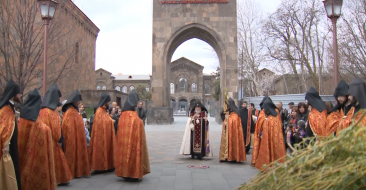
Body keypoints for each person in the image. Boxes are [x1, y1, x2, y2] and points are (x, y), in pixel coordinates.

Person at [17, 89, 56, 190]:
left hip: (22, 147)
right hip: (33, 150)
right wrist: (47, 129)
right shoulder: (33, 115)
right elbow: (40, 128)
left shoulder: (24, 113)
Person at [38, 85, 72, 185]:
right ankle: (58, 179)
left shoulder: (41, 110)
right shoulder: (52, 112)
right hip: (53, 142)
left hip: (43, 140)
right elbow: (56, 128)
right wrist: (60, 139)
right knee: (56, 161)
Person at [115, 90, 150, 180]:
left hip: (123, 142)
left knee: (124, 153)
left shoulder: (123, 114)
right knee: (132, 154)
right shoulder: (133, 115)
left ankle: (123, 172)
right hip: (133, 142)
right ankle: (132, 173)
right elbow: (138, 123)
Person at [61, 90, 91, 178]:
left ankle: (79, 170)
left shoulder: (74, 112)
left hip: (78, 138)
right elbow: (68, 128)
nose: (79, 102)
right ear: (74, 101)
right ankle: (72, 171)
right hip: (72, 139)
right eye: (78, 100)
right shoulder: (70, 113)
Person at [252, 98, 286, 171]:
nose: (264, 110)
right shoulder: (273, 116)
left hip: (272, 137)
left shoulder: (272, 116)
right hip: (270, 137)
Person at [0, 79, 22, 190]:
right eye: (19, 93)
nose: (20, 95)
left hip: (12, 146)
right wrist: (6, 143)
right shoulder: (6, 110)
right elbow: (4, 128)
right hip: (8, 147)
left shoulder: (10, 108)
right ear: (14, 94)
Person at [89, 92, 116, 172]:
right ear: (105, 102)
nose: (109, 103)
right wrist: (111, 121)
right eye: (108, 102)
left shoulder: (103, 110)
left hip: (105, 135)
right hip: (100, 137)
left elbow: (105, 119)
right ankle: (100, 166)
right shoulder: (99, 111)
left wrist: (110, 118)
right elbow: (103, 122)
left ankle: (108, 165)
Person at [219, 98, 246, 162]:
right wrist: (225, 119)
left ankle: (233, 156)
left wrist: (228, 120)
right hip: (226, 131)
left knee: (233, 142)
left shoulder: (235, 113)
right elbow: (223, 116)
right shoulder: (227, 112)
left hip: (233, 133)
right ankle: (225, 156)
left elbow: (235, 122)